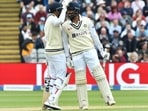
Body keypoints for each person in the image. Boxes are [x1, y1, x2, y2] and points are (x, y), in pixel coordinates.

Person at [62, 1, 116, 110]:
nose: (68, 13)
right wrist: (67, 58)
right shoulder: (65, 26)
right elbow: (65, 43)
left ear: (77, 11)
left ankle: (109, 98)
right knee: (80, 80)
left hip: (90, 51)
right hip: (76, 54)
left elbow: (95, 37)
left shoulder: (87, 21)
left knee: (99, 75)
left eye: (70, 10)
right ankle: (83, 104)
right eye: (68, 11)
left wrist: (102, 52)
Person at [43, 0, 72, 110]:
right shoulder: (52, 19)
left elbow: (45, 39)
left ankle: (50, 101)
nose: (61, 12)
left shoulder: (48, 21)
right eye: (59, 11)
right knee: (61, 76)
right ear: (55, 11)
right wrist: (64, 7)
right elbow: (59, 21)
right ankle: (51, 100)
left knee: (54, 77)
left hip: (50, 52)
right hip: (56, 52)